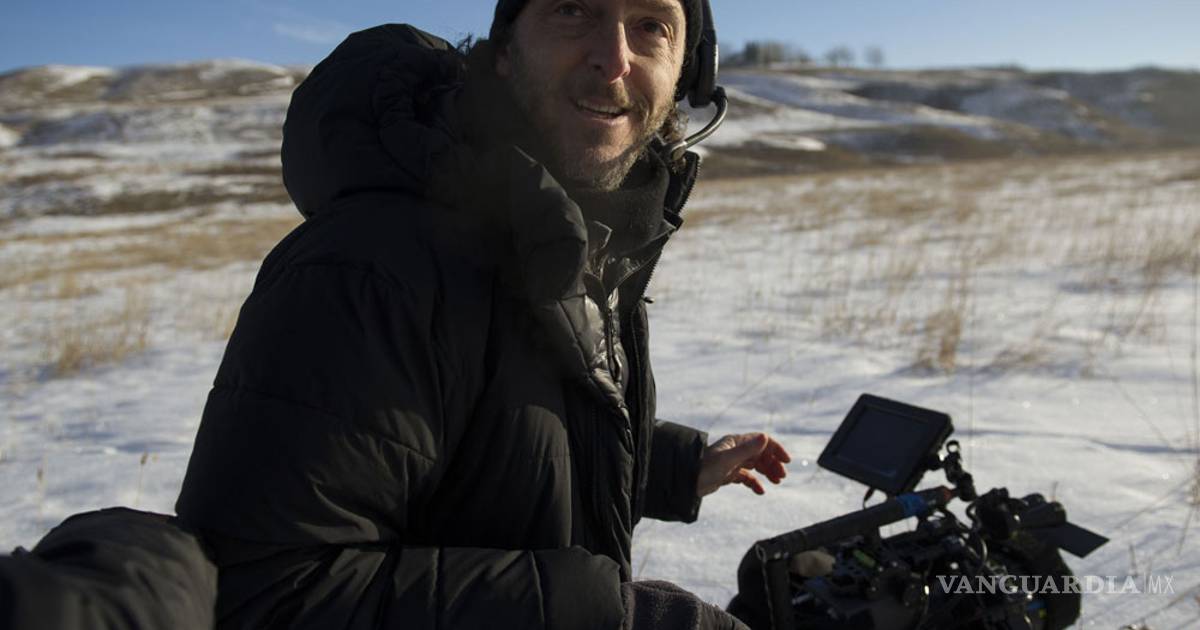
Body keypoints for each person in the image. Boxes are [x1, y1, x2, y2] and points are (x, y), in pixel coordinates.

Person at [4, 1, 791, 629]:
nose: (614, 56)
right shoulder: (373, 265)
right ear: (504, 51)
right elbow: (268, 596)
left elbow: (493, 443)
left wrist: (674, 467)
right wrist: (613, 615)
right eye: (573, 11)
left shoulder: (587, 239)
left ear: (685, 71)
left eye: (651, 24)